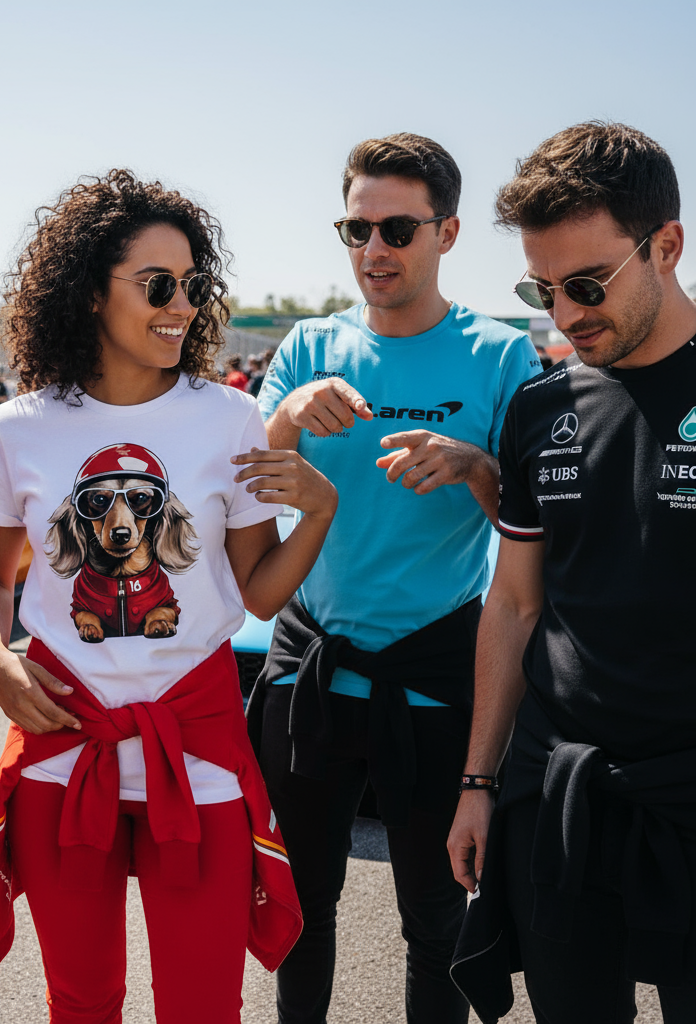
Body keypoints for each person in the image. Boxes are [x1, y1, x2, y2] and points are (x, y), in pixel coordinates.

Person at [0, 169, 338, 1023]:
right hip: (64, 737)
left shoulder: (231, 418)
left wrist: (320, 514)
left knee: (203, 1003)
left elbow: (261, 595)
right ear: (90, 293)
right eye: (158, 285)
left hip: (194, 742)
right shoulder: (20, 426)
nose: (183, 306)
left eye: (194, 286)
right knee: (81, 1000)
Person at [249, 133, 540, 1024]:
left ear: (448, 233)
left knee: (436, 921)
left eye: (398, 230)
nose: (373, 250)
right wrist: (288, 419)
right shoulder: (307, 346)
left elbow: (529, 530)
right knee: (302, 913)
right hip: (311, 671)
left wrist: (474, 464)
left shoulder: (502, 355)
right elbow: (242, 489)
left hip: (432, 680)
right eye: (356, 228)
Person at [447, 122, 696, 1024]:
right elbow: (514, 603)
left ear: (666, 245)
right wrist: (478, 784)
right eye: (542, 289)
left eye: (587, 284)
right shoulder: (539, 406)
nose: (564, 313)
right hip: (561, 792)